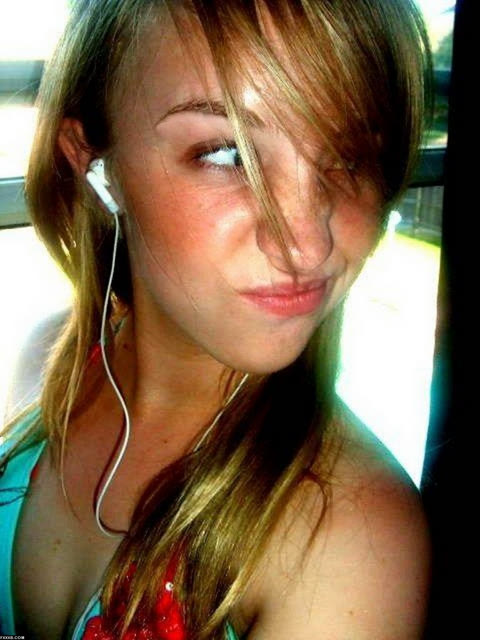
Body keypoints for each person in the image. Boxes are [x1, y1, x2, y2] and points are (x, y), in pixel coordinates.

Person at [0, 0, 432, 638]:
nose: (308, 246)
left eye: (349, 156)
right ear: (92, 161)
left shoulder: (347, 538)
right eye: (228, 155)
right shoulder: (50, 365)